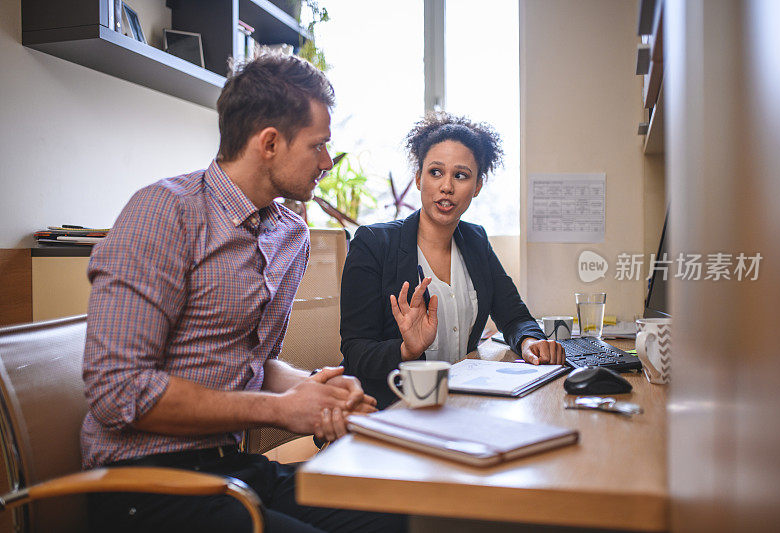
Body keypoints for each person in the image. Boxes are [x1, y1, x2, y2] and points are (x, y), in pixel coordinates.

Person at [81, 52, 405, 532]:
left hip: (230, 469)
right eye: (318, 145)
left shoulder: (289, 235)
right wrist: (279, 411)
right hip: (143, 487)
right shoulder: (165, 212)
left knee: (398, 513)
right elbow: (117, 392)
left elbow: (255, 363)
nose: (327, 162)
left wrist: (313, 390)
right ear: (270, 143)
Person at [340, 113, 565, 409]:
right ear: (418, 178)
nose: (447, 186)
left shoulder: (476, 240)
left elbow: (514, 317)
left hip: (462, 406)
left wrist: (529, 342)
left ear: (478, 186)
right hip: (393, 410)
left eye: (461, 175)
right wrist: (405, 350)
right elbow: (355, 352)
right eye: (435, 172)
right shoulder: (373, 243)